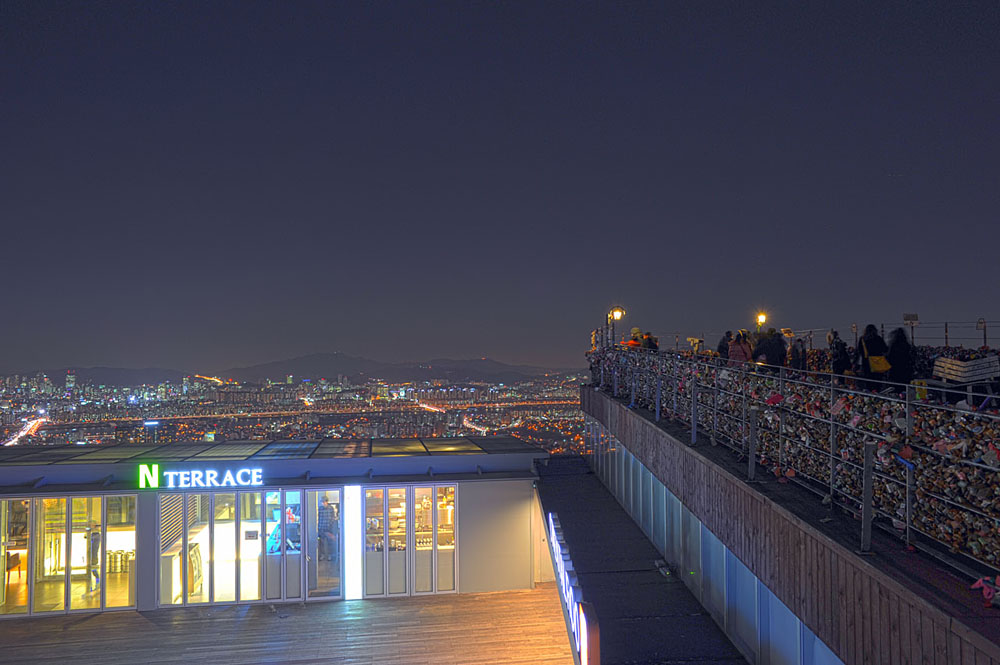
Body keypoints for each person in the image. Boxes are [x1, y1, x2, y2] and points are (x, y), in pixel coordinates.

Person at [857, 324, 889, 389]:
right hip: (878, 364)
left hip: (867, 364)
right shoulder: (878, 338)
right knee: (878, 383)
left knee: (868, 383)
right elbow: (885, 349)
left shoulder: (862, 339)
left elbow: (859, 351)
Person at [318, 496, 338, 561]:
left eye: (324, 502)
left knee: (330, 543)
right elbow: (318, 518)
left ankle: (329, 555)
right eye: (322, 502)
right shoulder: (320, 509)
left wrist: (331, 526)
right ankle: (322, 555)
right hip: (321, 527)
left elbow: (333, 517)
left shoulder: (331, 508)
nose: (323, 503)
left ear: (327, 502)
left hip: (329, 528)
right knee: (321, 543)